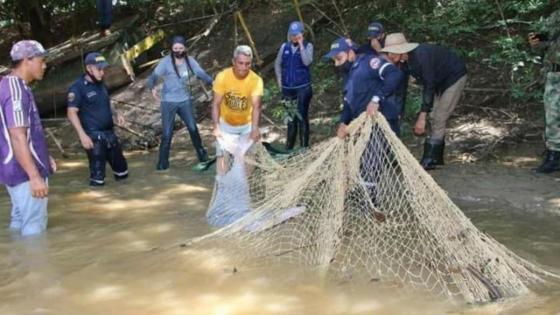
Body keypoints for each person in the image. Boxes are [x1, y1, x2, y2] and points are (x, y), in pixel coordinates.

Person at [382, 33, 467, 170]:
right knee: (434, 116)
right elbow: (402, 89)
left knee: (439, 116)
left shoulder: (422, 56)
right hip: (437, 81)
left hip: (454, 77)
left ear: (402, 50)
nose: (390, 57)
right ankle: (437, 157)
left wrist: (422, 116)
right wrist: (398, 112)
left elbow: (429, 85)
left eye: (392, 53)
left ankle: (431, 159)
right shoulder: (403, 64)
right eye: (388, 53)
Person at [0, 40, 56, 236]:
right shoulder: (15, 91)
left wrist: (44, 157)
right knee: (34, 226)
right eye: (41, 60)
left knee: (19, 220)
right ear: (27, 61)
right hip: (23, 172)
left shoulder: (12, 86)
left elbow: (26, 133)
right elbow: (16, 135)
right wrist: (34, 176)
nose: (44, 65)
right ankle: (36, 265)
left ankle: (20, 261)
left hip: (15, 170)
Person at [147, 35, 213, 171]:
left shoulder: (190, 61)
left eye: (180, 48)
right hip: (168, 102)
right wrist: (152, 87)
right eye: (175, 48)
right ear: (172, 49)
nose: (178, 51)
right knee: (167, 134)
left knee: (193, 129)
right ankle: (162, 165)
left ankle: (203, 157)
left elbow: (201, 73)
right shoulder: (165, 62)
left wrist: (214, 82)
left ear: (185, 48)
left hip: (185, 101)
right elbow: (153, 76)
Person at [324, 37, 407, 137]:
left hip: (382, 123)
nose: (337, 64)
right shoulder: (347, 75)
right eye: (334, 61)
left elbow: (394, 74)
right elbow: (347, 101)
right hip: (364, 127)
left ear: (350, 53)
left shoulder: (368, 62)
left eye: (339, 58)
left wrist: (376, 99)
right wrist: (343, 123)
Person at [67, 52, 128, 186]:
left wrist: (117, 113)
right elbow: (71, 113)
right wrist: (82, 136)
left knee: (123, 173)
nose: (102, 72)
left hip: (110, 134)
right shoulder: (77, 88)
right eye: (99, 69)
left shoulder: (101, 84)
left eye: (103, 69)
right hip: (94, 138)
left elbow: (107, 101)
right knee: (98, 180)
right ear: (89, 69)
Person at [211, 45, 263, 175]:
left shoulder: (256, 80)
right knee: (222, 155)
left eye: (247, 64)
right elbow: (216, 104)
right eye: (240, 63)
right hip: (226, 124)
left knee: (250, 155)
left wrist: (255, 128)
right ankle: (223, 185)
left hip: (246, 124)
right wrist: (216, 127)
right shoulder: (222, 77)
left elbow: (256, 107)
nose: (244, 67)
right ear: (234, 62)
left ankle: (243, 186)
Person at [528, 10, 560, 173]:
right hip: (555, 74)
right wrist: (536, 43)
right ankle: (554, 157)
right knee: (553, 116)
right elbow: (543, 45)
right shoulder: (555, 16)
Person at [274, 21, 314, 149]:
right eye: (292, 35)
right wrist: (280, 80)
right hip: (287, 89)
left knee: (302, 116)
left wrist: (301, 45)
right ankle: (289, 149)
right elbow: (277, 64)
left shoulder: (308, 46)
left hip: (303, 88)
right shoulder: (284, 47)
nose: (294, 37)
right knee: (291, 119)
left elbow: (307, 62)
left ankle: (303, 148)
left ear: (302, 34)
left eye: (297, 35)